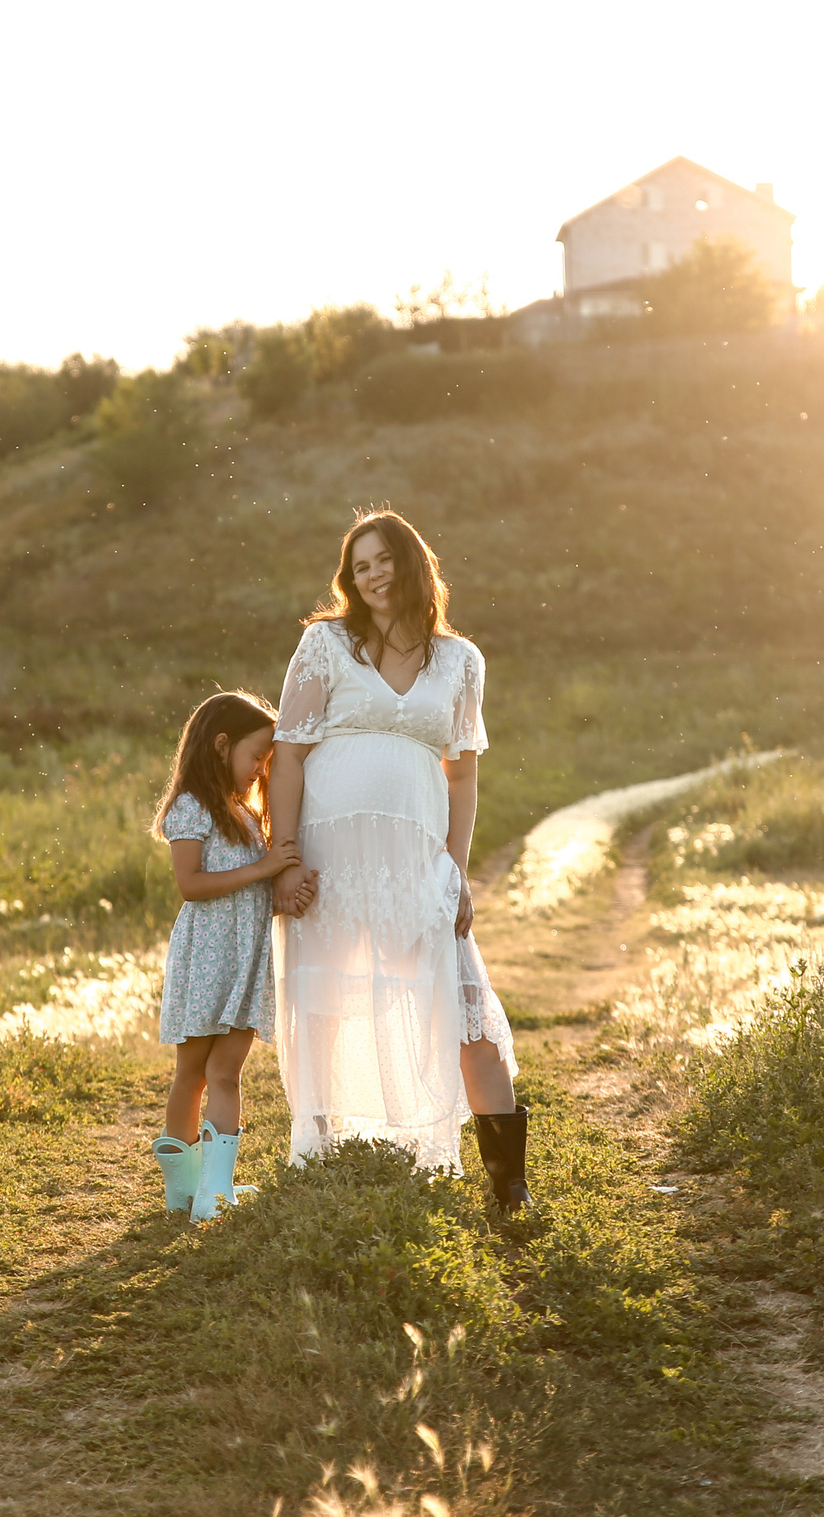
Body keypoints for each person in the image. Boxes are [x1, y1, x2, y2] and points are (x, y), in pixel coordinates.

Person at [267, 510, 531, 1210]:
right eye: (361, 566)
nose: (375, 574)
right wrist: (285, 857)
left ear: (413, 563)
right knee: (326, 1002)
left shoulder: (460, 661)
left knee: (464, 1004)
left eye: (384, 559)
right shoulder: (326, 643)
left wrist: (456, 868)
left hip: (417, 858)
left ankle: (510, 1185)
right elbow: (288, 754)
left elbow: (463, 775)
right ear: (350, 581)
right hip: (328, 854)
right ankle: (319, 1156)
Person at [148, 690, 310, 1223]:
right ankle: (187, 1193)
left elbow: (257, 891)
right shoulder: (192, 807)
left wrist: (285, 888)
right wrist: (265, 869)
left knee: (225, 1073)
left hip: (242, 962)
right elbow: (190, 884)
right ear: (221, 746)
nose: (261, 770)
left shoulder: (244, 812)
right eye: (256, 757)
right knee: (191, 1073)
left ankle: (212, 1196)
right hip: (205, 959)